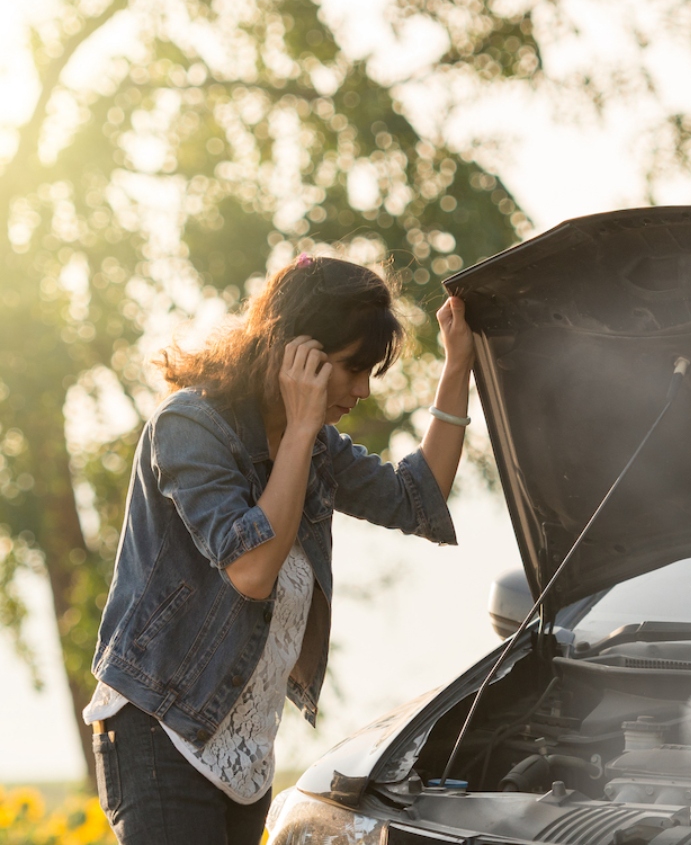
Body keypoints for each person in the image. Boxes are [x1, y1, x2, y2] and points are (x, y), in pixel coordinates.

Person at [84, 254, 474, 844]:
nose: (362, 390)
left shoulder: (313, 446)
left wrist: (459, 364)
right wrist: (300, 429)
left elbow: (417, 501)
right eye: (351, 368)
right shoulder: (190, 426)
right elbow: (253, 568)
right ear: (298, 354)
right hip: (161, 729)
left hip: (245, 751)